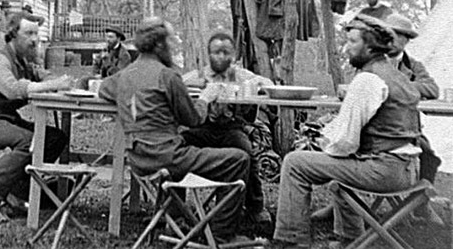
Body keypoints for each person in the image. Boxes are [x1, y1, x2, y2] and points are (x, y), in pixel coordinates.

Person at [273, 14, 422, 249]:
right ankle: (349, 237)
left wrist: (319, 143)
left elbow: (344, 143)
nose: (346, 48)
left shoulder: (367, 80)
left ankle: (290, 240)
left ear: (371, 45)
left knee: (295, 163)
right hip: (409, 167)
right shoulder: (397, 76)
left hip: (384, 171)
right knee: (343, 165)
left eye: (353, 42)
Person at [97, 17, 251, 243]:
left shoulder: (124, 75)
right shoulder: (167, 76)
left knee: (185, 144)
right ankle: (222, 236)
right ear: (159, 45)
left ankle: (174, 220)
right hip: (166, 157)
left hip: (139, 159)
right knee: (238, 159)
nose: (173, 46)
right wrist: (206, 98)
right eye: (170, 41)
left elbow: (104, 90)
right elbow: (194, 119)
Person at [0, 11, 75, 223]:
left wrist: (49, 77)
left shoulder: (22, 61)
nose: (34, 39)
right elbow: (13, 90)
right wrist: (52, 85)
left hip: (3, 120)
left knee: (53, 138)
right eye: (29, 34)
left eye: (37, 34)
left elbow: (42, 77)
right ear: (13, 35)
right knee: (28, 141)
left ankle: (17, 190)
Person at [181, 30, 274, 225]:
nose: (221, 56)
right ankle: (174, 208)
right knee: (179, 144)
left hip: (231, 129)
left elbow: (267, 82)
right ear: (209, 54)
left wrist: (254, 83)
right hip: (204, 128)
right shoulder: (200, 74)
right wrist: (198, 86)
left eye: (226, 52)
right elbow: (179, 84)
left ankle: (255, 206)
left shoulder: (239, 74)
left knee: (246, 151)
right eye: (216, 52)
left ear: (233, 55)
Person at [385, 12, 441, 183]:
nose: (391, 40)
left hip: (407, 129)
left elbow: (432, 89)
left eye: (397, 35)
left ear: (407, 40)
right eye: (387, 35)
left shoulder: (413, 65)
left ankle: (419, 202)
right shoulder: (371, 61)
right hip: (376, 128)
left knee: (430, 157)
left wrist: (400, 88)